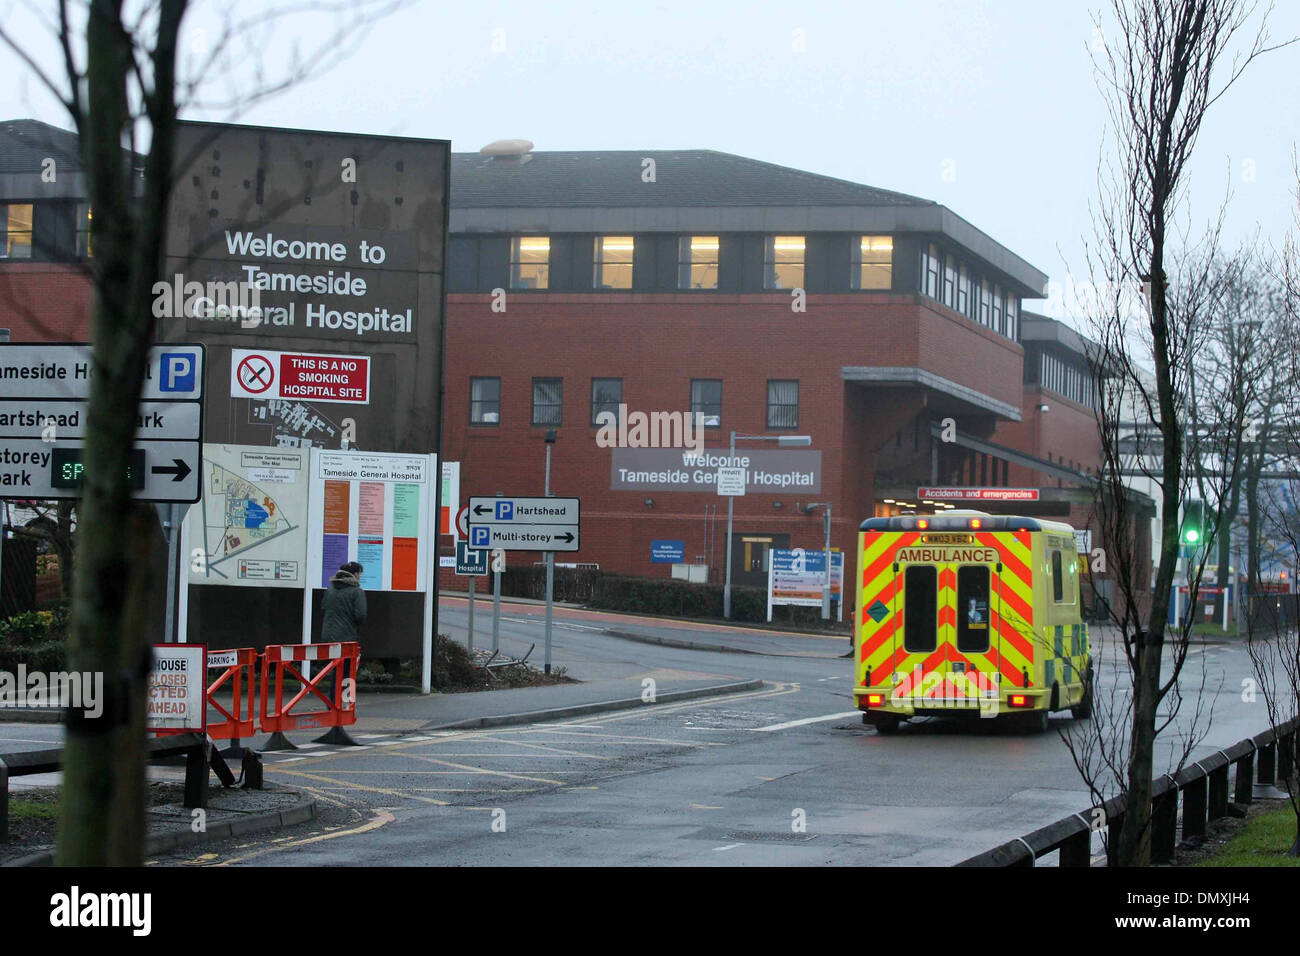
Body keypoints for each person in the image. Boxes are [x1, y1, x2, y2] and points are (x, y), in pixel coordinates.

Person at [322, 560, 367, 642]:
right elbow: (360, 616)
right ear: (356, 574)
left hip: (327, 635)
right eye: (360, 573)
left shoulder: (330, 589)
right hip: (346, 637)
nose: (360, 576)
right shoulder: (357, 592)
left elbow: (323, 607)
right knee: (346, 655)